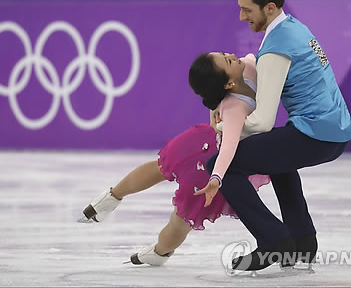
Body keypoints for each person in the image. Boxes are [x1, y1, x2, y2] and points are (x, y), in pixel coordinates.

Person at [196, 0, 351, 272]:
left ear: (269, 8)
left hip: (317, 134)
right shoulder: (293, 28)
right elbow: (254, 67)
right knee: (278, 157)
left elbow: (262, 122)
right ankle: (303, 241)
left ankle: (274, 242)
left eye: (247, 9)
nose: (242, 17)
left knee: (222, 165)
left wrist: (223, 127)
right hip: (334, 130)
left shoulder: (276, 48)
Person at [81, 53, 270, 266]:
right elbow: (228, 147)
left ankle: (117, 208)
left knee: (177, 211)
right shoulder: (235, 103)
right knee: (172, 197)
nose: (232, 55)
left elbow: (246, 63)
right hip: (216, 163)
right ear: (226, 83)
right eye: (226, 59)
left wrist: (216, 105)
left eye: (225, 55)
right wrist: (217, 177)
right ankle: (156, 248)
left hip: (209, 146)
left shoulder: (247, 66)